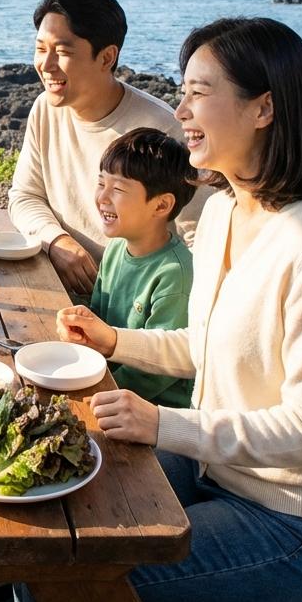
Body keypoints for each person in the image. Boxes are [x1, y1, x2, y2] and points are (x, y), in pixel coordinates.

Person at [14, 17, 302, 602]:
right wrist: (114, 340)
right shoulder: (221, 215)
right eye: (182, 92)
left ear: (264, 108)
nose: (179, 110)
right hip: (217, 473)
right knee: (46, 505)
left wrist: (164, 423)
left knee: (59, 582)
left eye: (199, 92)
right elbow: (208, 349)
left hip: (298, 522)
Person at [9, 0, 208, 299]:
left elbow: (199, 241)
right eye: (40, 48)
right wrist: (56, 241)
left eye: (61, 52)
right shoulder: (46, 108)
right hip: (57, 285)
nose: (45, 66)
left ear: (106, 57)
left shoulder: (164, 131)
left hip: (134, 312)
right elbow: (24, 196)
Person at [90, 127, 195, 410]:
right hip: (107, 386)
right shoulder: (114, 248)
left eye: (119, 189)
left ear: (161, 205)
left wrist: (95, 391)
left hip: (155, 412)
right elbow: (97, 316)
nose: (102, 197)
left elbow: (155, 371)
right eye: (102, 183)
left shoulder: (175, 272)